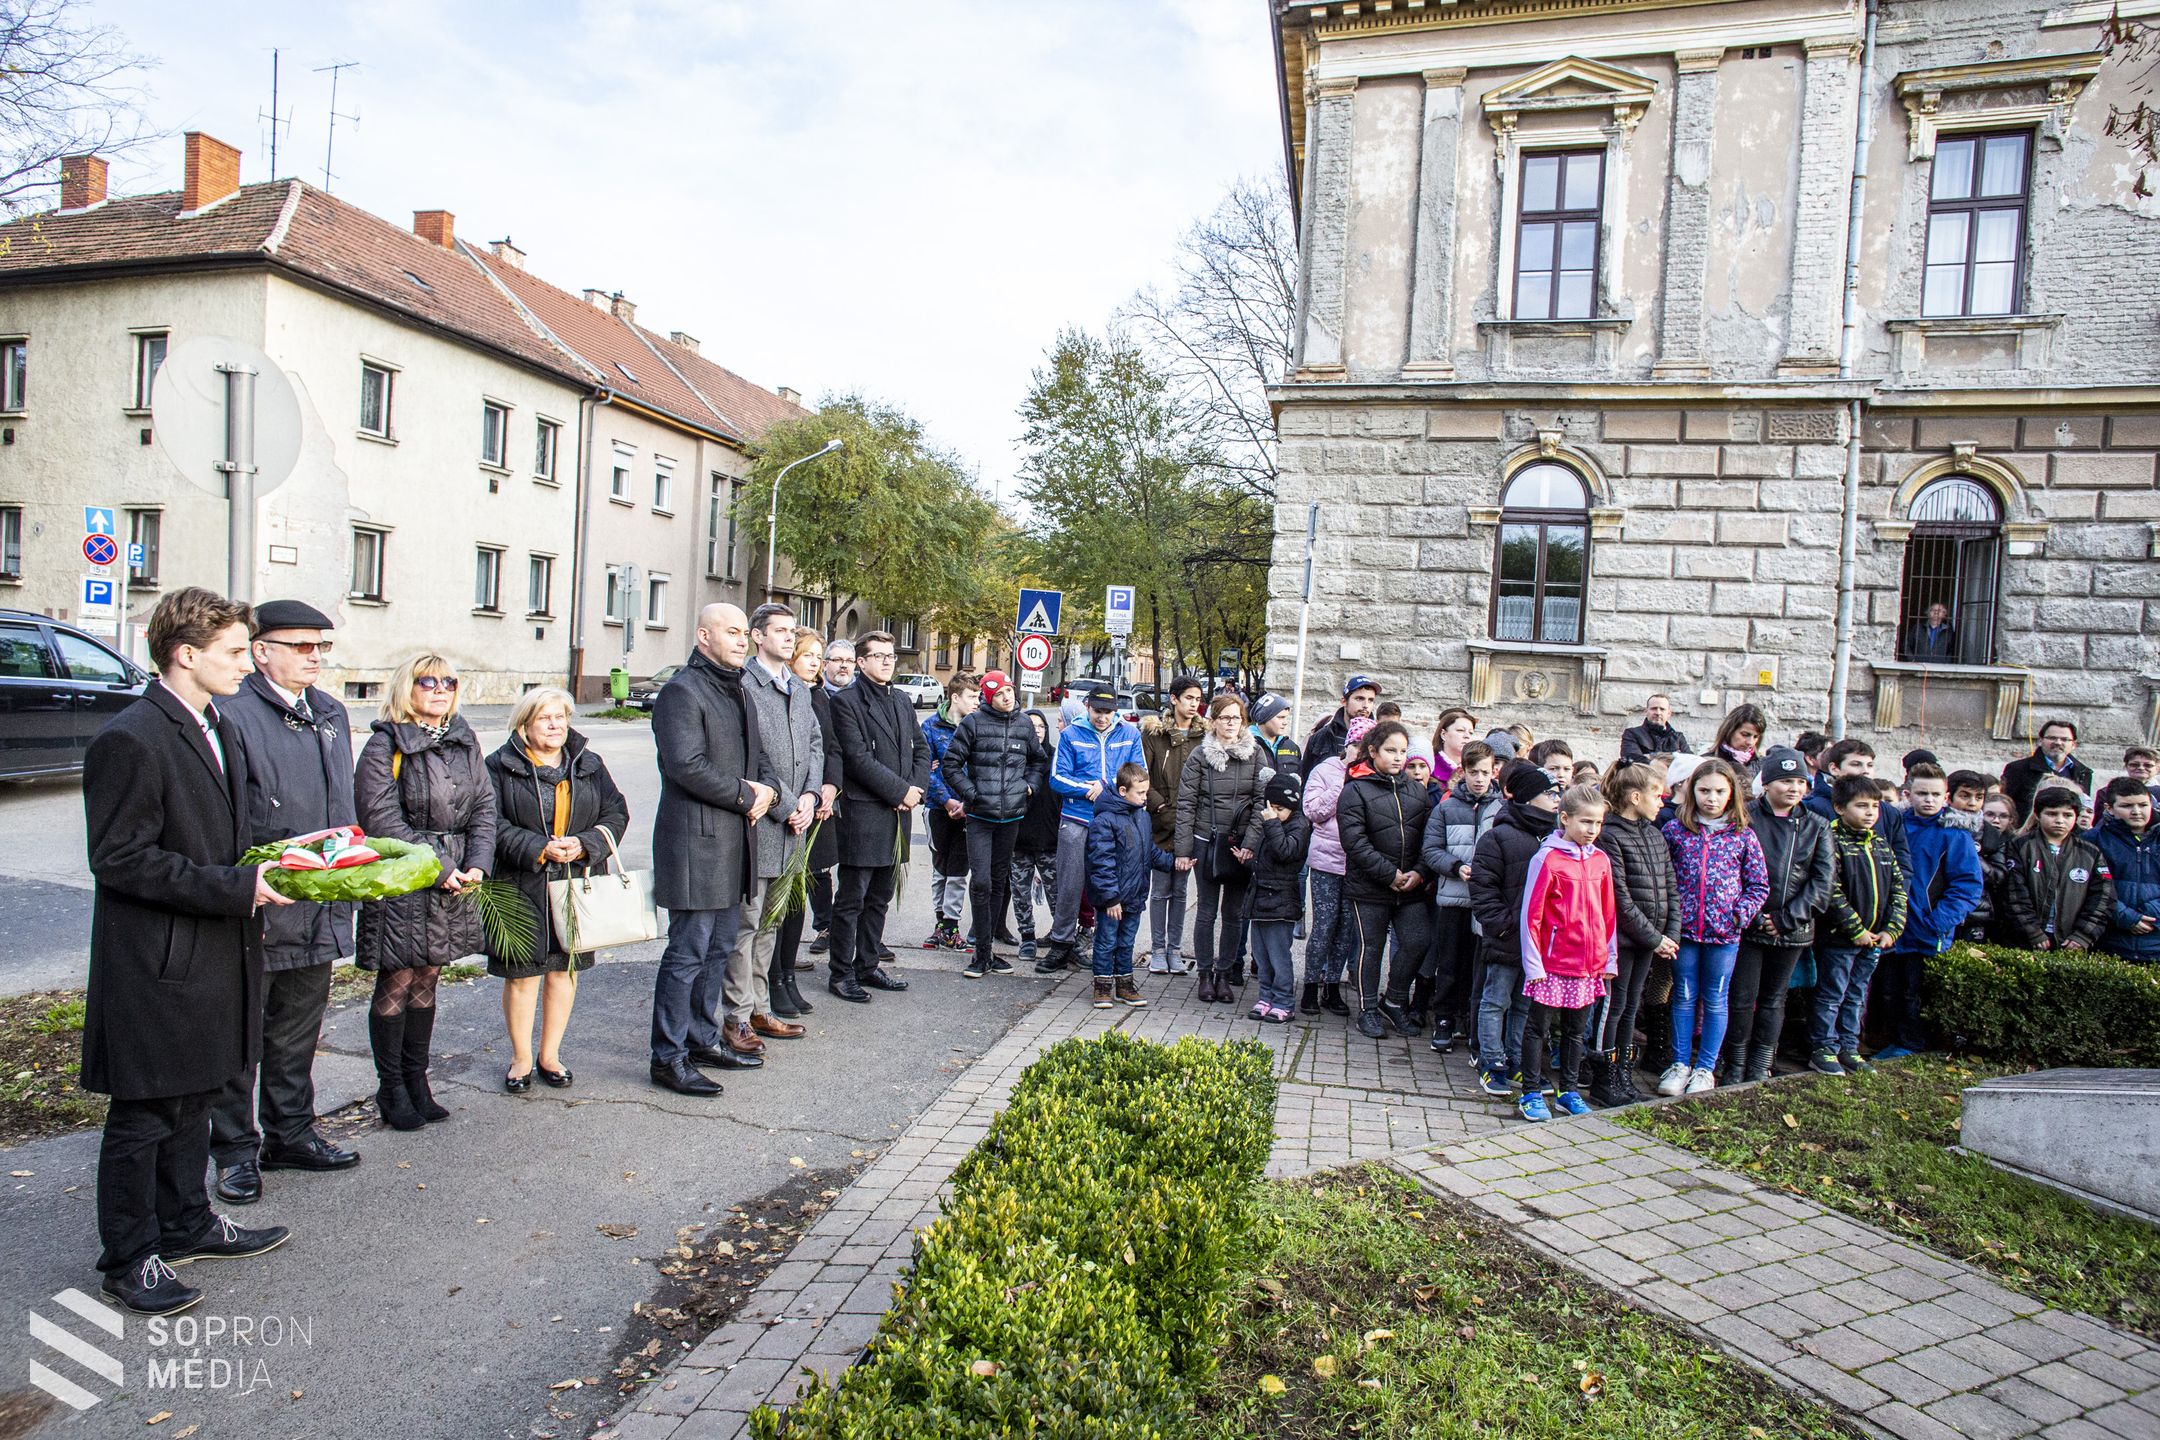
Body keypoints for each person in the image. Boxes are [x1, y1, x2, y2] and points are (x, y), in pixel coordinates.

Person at [81, 588, 291, 1315]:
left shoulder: (217, 723)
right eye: (233, 652)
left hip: (215, 951)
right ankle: (128, 1259)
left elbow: (225, 835)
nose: (247, 663)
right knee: (146, 1113)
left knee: (197, 1097)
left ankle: (186, 1224)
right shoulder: (132, 738)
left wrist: (288, 859)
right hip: (157, 964)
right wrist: (237, 886)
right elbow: (119, 859)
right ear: (186, 654)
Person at [210, 598, 361, 1207]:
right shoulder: (233, 712)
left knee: (298, 1031)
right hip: (263, 899)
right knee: (241, 1035)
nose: (315, 656)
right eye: (301, 646)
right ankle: (234, 1152)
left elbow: (341, 804)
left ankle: (291, 1134)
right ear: (260, 650)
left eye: (321, 646)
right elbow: (229, 815)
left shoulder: (328, 711)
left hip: (321, 899)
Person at [354, 653, 497, 1128]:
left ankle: (417, 1080)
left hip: (453, 878)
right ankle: (391, 1087)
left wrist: (477, 863)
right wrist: (439, 867)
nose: (440, 690)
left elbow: (484, 807)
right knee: (397, 978)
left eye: (448, 682)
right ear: (406, 687)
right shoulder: (384, 744)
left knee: (428, 976)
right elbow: (381, 821)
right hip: (404, 876)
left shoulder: (463, 739)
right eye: (427, 682)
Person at [649, 604, 778, 1096]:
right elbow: (685, 764)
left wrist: (768, 791)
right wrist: (748, 796)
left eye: (745, 632)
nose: (743, 640)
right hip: (694, 846)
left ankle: (702, 1040)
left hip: (734, 843)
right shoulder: (682, 691)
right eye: (732, 632)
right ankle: (668, 1057)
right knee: (687, 954)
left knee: (719, 949)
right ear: (703, 636)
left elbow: (759, 757)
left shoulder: (738, 689)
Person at [485, 686, 630, 1091]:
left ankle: (550, 1055)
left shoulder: (588, 763)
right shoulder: (498, 766)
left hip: (574, 882)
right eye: (544, 718)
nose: (554, 725)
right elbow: (489, 823)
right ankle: (520, 1058)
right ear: (524, 725)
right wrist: (538, 847)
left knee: (564, 970)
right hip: (520, 883)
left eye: (561, 717)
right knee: (523, 976)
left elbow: (616, 812)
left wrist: (585, 844)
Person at [724, 604, 825, 1054]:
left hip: (795, 823)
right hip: (760, 823)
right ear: (757, 636)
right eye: (780, 630)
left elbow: (815, 744)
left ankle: (761, 1008)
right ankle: (736, 1015)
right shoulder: (745, 684)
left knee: (771, 922)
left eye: (792, 631)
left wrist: (811, 796)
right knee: (746, 924)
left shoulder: (798, 688)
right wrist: (787, 805)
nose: (788, 638)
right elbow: (752, 756)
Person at [1657, 757, 1769, 1096]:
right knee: (1683, 996)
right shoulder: (1676, 831)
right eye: (1705, 790)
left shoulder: (1742, 835)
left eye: (1720, 791)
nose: (1712, 798)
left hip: (1724, 936)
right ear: (1692, 791)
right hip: (1685, 933)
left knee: (1716, 999)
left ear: (1731, 793)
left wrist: (1740, 914)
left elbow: (1758, 884)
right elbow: (1664, 876)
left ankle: (1705, 1068)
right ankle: (1679, 1064)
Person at [828, 630, 930, 1001]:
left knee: (880, 898)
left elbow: (922, 749)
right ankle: (841, 973)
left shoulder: (901, 699)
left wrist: (915, 789)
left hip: (897, 815)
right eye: (879, 656)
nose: (887, 662)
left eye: (890, 656)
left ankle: (867, 965)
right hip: (864, 814)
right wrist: (899, 791)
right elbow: (857, 760)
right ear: (861, 661)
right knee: (852, 899)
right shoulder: (846, 702)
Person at [1724, 747, 1833, 1084]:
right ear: (1768, 783)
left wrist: (1787, 918)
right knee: (1742, 998)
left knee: (1774, 998)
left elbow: (1823, 882)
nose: (1793, 788)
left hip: (1791, 929)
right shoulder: (1745, 817)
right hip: (1749, 925)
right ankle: (1734, 1063)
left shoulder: (1817, 825)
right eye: (1786, 781)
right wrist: (1753, 914)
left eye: (1800, 782)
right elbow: (1729, 870)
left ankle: (1761, 1063)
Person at [1516, 783, 1618, 1122]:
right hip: (1552, 964)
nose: (1592, 830)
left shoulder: (1601, 860)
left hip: (1588, 966)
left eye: (1598, 823)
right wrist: (1534, 964)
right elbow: (1531, 914)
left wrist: (1609, 958)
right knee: (1538, 1029)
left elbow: (1608, 914)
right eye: (1585, 822)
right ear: (1565, 819)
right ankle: (1531, 1092)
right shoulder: (1547, 858)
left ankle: (1569, 1092)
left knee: (1576, 1032)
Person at [943, 669, 1049, 980]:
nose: (1007, 697)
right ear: (988, 698)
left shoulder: (1023, 724)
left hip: (1011, 817)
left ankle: (989, 951)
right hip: (980, 817)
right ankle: (980, 953)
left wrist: (1029, 787)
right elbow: (951, 764)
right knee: (981, 882)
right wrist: (971, 793)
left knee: (999, 881)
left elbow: (1038, 760)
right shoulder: (973, 723)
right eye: (999, 693)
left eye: (1009, 691)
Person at [1874, 762, 1984, 1059]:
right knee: (1889, 989)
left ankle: (1911, 1044)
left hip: (1926, 928)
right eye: (1922, 793)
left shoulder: (1955, 834)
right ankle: (1891, 1039)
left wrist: (1938, 921)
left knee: (1914, 991)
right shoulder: (1895, 825)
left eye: (1935, 794)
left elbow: (1967, 885)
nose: (1929, 800)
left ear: (1946, 797)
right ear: (1907, 794)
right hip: (1892, 924)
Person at [1335, 720, 1435, 1038]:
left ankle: (1392, 1001)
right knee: (1372, 947)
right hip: (1370, 886)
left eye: (1402, 752)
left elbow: (1430, 838)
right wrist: (1389, 874)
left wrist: (1420, 872)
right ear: (1373, 751)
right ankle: (1367, 1010)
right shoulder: (1354, 790)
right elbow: (1354, 842)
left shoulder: (1417, 792)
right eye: (1391, 750)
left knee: (1418, 940)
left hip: (1410, 886)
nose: (1398, 758)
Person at [1590, 763, 1680, 1106]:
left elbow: (1670, 887)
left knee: (1631, 1006)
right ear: (1635, 797)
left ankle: (1623, 1075)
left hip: (1650, 941)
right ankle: (1603, 1077)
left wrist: (1669, 934)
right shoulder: (1610, 836)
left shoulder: (1655, 835)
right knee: (1613, 1007)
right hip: (1624, 942)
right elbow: (1619, 897)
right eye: (1657, 795)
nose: (1662, 801)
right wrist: (1654, 938)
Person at [1468, 764, 1561, 1096]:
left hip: (1539, 943)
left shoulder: (1555, 838)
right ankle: (1491, 1062)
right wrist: (1504, 928)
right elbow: (1483, 888)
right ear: (1527, 796)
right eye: (1549, 793)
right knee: (1495, 1000)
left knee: (1524, 1004)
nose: (1557, 799)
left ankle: (1516, 1060)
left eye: (1558, 793)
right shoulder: (1498, 837)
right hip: (1507, 939)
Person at [1176, 694, 1269, 1002]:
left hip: (1240, 845)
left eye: (1236, 718)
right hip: (1206, 841)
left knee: (1233, 914)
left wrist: (1251, 843)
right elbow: (1186, 804)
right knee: (1206, 911)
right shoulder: (1200, 755)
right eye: (1225, 717)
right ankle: (1204, 974)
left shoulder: (1256, 753)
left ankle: (1225, 974)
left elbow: (1262, 802)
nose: (1231, 723)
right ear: (1213, 721)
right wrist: (1183, 850)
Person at [1045, 685, 1144, 973]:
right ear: (1087, 706)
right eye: (1097, 711)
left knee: (1111, 886)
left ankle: (1105, 948)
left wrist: (1106, 787)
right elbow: (1057, 778)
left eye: (1108, 712)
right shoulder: (1071, 735)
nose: (1102, 718)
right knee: (1069, 885)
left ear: (1116, 711)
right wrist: (1088, 789)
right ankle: (1061, 944)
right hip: (1077, 819)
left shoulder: (1130, 734)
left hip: (1117, 821)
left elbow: (1140, 775)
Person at [1813, 775, 1908, 1076]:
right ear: (1840, 808)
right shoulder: (1830, 840)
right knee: (1832, 994)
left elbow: (1898, 889)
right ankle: (1823, 1047)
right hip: (1841, 938)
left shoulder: (1880, 843)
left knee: (1856, 995)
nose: (1870, 812)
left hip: (1875, 939)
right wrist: (1856, 930)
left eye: (1875, 807)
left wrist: (1892, 929)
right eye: (1861, 806)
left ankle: (1849, 1046)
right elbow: (1831, 891)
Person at [1420, 740, 1501, 1055]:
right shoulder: (1446, 807)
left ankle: (1469, 1018)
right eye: (1473, 772)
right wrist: (1455, 867)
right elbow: (1431, 849)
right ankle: (1444, 1018)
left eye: (1485, 772)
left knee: (1476, 965)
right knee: (1449, 963)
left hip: (1485, 903)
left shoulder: (1500, 809)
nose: (1479, 779)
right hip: (1453, 898)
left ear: (1493, 772)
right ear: (1463, 771)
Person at [777, 628, 843, 1013]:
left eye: (819, 656)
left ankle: (786, 969)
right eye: (808, 655)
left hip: (817, 806)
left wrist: (828, 787)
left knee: (804, 886)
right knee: (784, 893)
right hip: (786, 806)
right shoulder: (781, 692)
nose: (815, 663)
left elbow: (829, 747)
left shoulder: (818, 696)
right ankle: (777, 972)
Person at [1083, 761, 1172, 1008]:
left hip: (1135, 894)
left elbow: (1149, 851)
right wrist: (1111, 898)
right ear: (1123, 791)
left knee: (1126, 942)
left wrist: (1172, 863)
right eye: (1140, 793)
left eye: (1146, 792)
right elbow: (1101, 863)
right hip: (1112, 900)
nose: (1145, 798)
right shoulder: (1105, 821)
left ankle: (1124, 985)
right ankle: (1102, 986)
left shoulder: (1142, 817)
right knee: (1106, 941)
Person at [1299, 717, 1370, 1016]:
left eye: (1366, 748)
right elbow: (1312, 810)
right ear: (1347, 745)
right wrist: (1342, 784)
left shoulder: (1371, 776)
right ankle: (1310, 985)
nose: (1360, 752)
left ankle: (1332, 986)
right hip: (1327, 861)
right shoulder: (1326, 770)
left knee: (1345, 929)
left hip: (1357, 865)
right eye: (1356, 746)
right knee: (1324, 925)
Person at [1139, 676, 1207, 976]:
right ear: (1174, 699)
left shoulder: (1204, 736)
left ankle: (1175, 949)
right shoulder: (1155, 734)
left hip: (1191, 824)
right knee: (1160, 890)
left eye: (1198, 699)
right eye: (1189, 698)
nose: (1194, 704)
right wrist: (1159, 805)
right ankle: (1157, 949)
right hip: (1161, 822)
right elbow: (1143, 774)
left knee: (1181, 891)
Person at [1999, 785, 2114, 953]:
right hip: (2024, 941)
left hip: (2070, 941)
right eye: (2052, 814)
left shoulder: (2090, 853)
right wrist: (2032, 931)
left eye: (2067, 815)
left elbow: (2103, 896)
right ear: (2037, 815)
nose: (2060, 820)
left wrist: (2082, 935)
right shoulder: (2020, 846)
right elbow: (2013, 893)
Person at [920, 674, 978, 951]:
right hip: (938, 807)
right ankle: (940, 924)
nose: (977, 702)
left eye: (978, 697)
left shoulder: (977, 727)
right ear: (955, 697)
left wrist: (967, 802)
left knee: (959, 869)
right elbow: (924, 767)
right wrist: (946, 800)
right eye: (972, 697)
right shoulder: (931, 727)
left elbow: (980, 767)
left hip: (969, 808)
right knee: (940, 866)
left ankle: (951, 925)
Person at [1247, 772, 1310, 1023]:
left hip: (1281, 902)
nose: (1273, 812)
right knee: (1261, 956)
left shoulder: (1299, 826)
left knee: (1278, 956)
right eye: (1270, 807)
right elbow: (1265, 859)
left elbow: (1285, 852)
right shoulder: (1272, 823)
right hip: (1261, 899)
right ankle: (1266, 997)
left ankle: (1284, 1001)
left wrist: (1271, 823)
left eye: (1279, 808)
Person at [1804, 739, 1914, 879]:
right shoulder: (1814, 808)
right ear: (1834, 768)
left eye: (1870, 765)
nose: (1865, 771)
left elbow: (1902, 863)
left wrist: (1897, 891)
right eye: (1856, 764)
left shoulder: (1889, 813)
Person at [2090, 776, 2160, 963]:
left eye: (2143, 805)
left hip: (2155, 943)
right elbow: (2087, 887)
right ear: (2109, 808)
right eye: (2127, 806)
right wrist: (2125, 917)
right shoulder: (2092, 841)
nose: (2136, 811)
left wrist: (2149, 913)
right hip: (2109, 944)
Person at [1010, 709, 1060, 960]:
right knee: (1020, 892)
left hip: (1049, 838)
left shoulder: (1057, 757)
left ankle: (1061, 937)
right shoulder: (1015, 757)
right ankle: (1027, 937)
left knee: (1056, 893)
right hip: (1018, 837)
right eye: (1031, 725)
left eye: (1041, 726)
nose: (1037, 730)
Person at [2001, 719, 2093, 822]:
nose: (2058, 742)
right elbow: (2005, 805)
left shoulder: (2083, 773)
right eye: (2052, 738)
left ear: (2073, 744)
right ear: (2040, 741)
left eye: (2064, 739)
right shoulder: (2017, 769)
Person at [1300, 673, 1381, 777]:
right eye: (1359, 699)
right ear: (1344, 701)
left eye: (1370, 700)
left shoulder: (1379, 738)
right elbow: (1306, 778)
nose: (1365, 705)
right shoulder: (1322, 736)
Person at [1620, 694, 1691, 764]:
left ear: (1669, 713)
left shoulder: (1678, 737)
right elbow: (1631, 759)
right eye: (1654, 708)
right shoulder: (1632, 734)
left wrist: (1650, 756)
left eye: (1662, 709)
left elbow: (1690, 761)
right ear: (1646, 711)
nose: (1658, 713)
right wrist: (1673, 756)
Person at [1710, 704, 1768, 777]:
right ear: (1729, 730)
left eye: (1755, 737)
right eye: (1745, 734)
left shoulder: (1763, 766)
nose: (1750, 742)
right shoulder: (1707, 762)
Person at [1251, 692, 1301, 776]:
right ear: (1265, 717)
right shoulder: (1244, 746)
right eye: (1280, 717)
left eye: (1285, 717)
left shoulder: (1292, 747)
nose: (1285, 722)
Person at [1431, 708, 1477, 790]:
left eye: (1471, 733)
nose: (1467, 736)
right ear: (1443, 734)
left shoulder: (1476, 768)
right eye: (1460, 730)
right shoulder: (1429, 766)